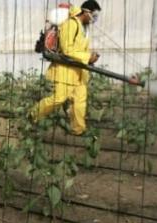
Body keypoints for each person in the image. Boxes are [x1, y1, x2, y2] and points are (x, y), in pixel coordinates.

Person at [31, 0, 102, 136]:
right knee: (58, 99)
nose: (95, 18)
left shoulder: (85, 28)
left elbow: (80, 49)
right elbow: (67, 49)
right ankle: (32, 115)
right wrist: (87, 57)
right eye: (94, 15)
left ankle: (78, 130)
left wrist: (91, 56)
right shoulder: (71, 24)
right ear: (86, 12)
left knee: (80, 102)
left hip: (79, 72)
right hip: (65, 71)